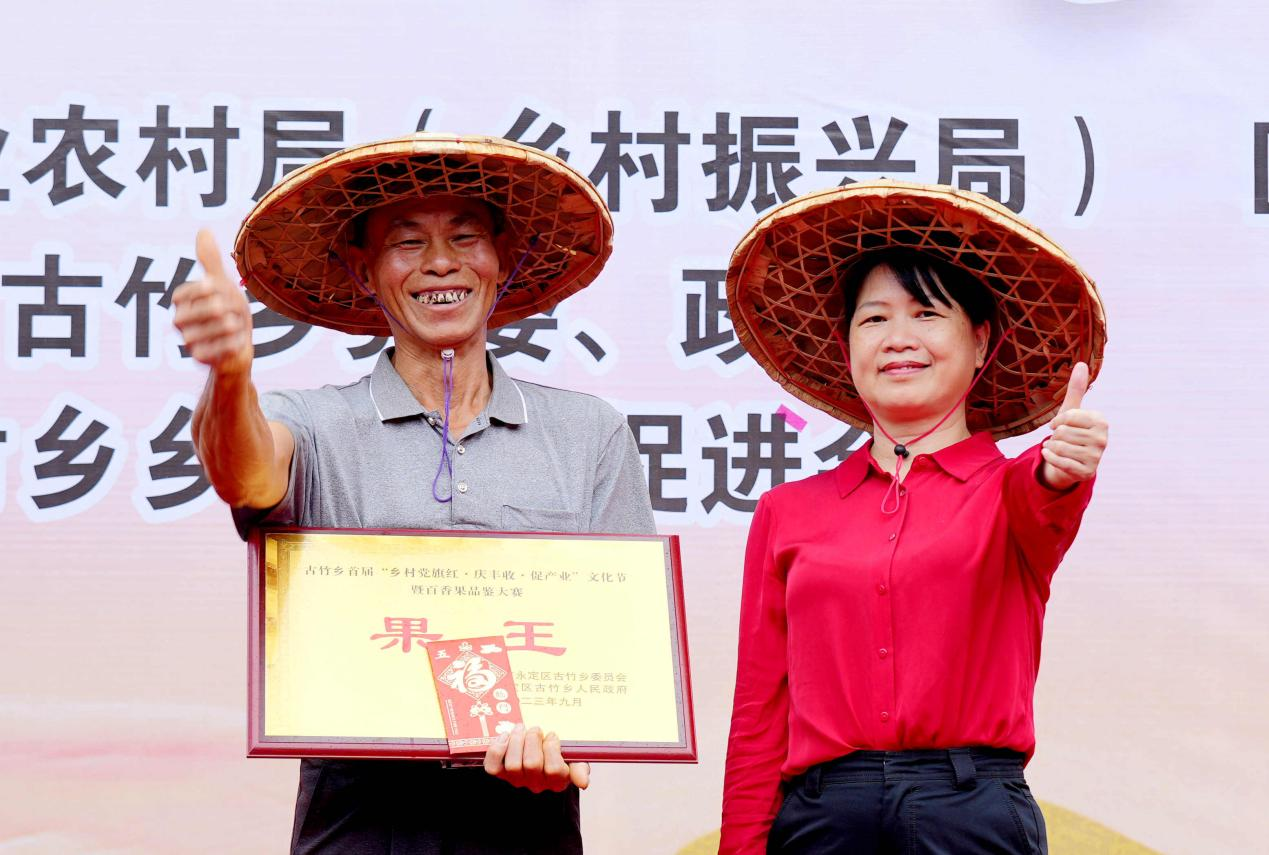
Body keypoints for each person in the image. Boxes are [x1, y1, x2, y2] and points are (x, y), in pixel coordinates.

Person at [172, 133, 654, 854]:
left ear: (503, 258)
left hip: (528, 819)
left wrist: (573, 742)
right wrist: (232, 375)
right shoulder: (315, 422)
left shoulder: (589, 433)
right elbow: (245, 473)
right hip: (358, 819)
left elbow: (621, 639)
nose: (439, 263)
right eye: (406, 243)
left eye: (465, 237)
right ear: (362, 269)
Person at [718, 181, 1109, 854]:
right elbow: (759, 712)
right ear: (846, 346)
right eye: (873, 319)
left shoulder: (1010, 489)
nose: (898, 339)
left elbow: (1048, 489)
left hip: (969, 810)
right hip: (822, 818)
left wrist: (1064, 462)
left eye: (926, 313)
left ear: (980, 341)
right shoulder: (788, 511)